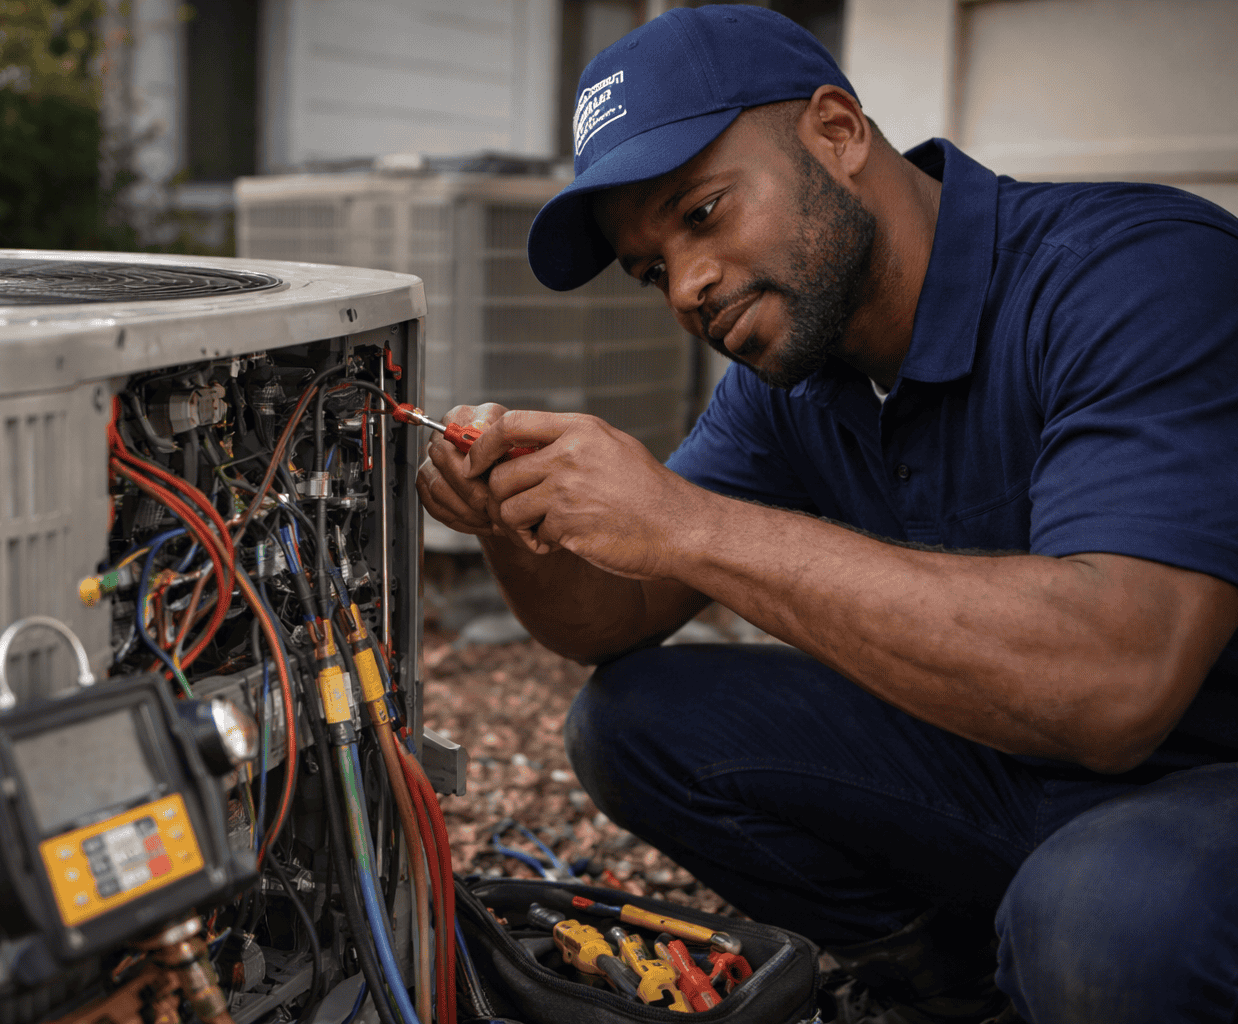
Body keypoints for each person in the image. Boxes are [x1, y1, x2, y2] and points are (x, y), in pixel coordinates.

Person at [414, 6, 1238, 1024]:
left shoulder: (1133, 276)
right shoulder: (797, 369)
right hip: (1019, 777)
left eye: (702, 213)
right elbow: (608, 619)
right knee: (636, 720)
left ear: (837, 133)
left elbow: (1120, 677)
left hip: (1204, 781)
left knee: (1108, 922)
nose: (688, 287)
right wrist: (507, 518)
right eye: (651, 268)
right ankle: (959, 992)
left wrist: (687, 521)